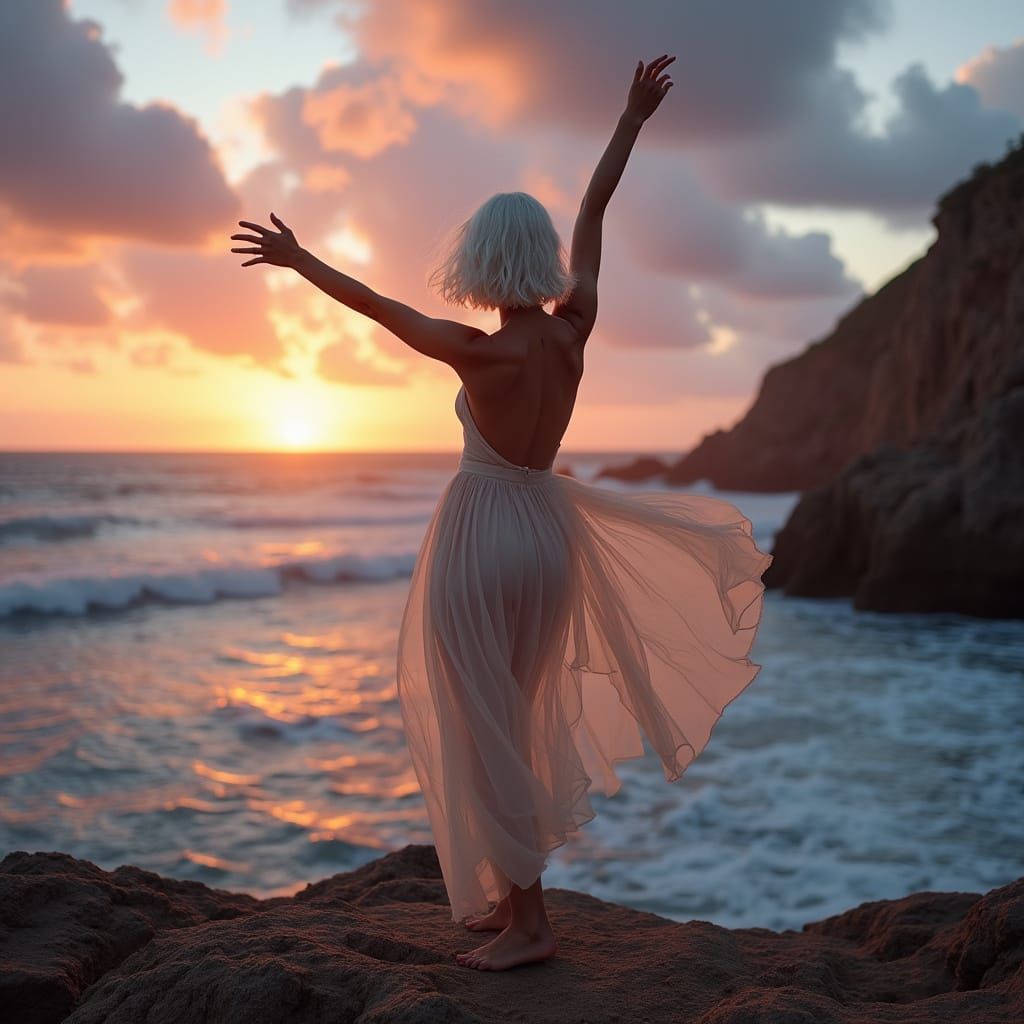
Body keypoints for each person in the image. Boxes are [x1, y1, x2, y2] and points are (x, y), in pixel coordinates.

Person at [230, 54, 772, 973]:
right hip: (547, 536)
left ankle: (530, 925)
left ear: (481, 262)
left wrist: (296, 258)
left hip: (482, 536)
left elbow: (374, 304)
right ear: (543, 259)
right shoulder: (574, 330)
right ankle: (514, 904)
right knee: (511, 719)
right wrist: (631, 120)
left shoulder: (477, 354)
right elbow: (595, 213)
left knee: (483, 728)